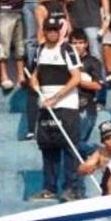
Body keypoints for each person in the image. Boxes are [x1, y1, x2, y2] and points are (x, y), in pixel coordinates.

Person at [29, 18, 82, 202]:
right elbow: (34, 74)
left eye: (55, 29)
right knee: (48, 147)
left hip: (65, 106)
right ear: (44, 31)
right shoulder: (39, 50)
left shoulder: (67, 49)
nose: (52, 32)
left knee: (69, 147)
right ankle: (49, 188)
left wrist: (56, 98)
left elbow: (76, 77)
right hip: (44, 106)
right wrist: (34, 82)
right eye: (49, 29)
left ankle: (71, 189)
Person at [71, 30, 103, 199]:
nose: (77, 46)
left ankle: (99, 150)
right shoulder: (66, 61)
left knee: (76, 144)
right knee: (75, 148)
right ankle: (79, 189)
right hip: (68, 108)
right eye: (74, 42)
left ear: (86, 44)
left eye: (80, 42)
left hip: (86, 108)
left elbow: (98, 86)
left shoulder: (92, 62)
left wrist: (78, 81)